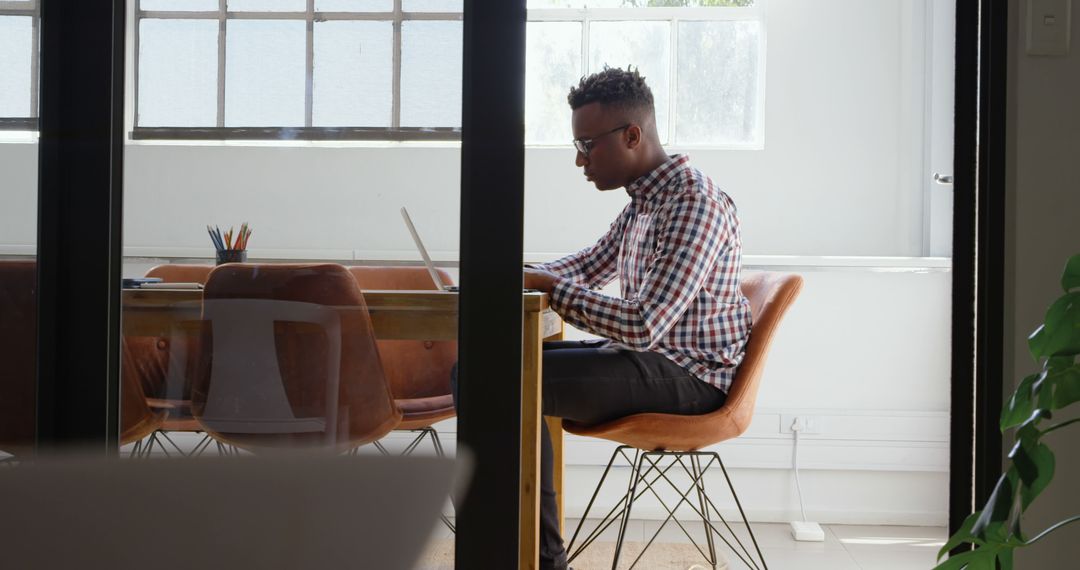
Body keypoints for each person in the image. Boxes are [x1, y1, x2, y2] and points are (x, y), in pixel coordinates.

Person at [521, 66, 753, 570]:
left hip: (691, 377)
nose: (579, 160)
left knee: (496, 375)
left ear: (632, 135)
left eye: (587, 145)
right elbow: (588, 263)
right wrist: (518, 274)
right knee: (492, 364)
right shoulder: (644, 203)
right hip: (653, 362)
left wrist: (551, 288)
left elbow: (644, 324)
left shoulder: (693, 202)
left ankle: (536, 558)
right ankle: (517, 547)